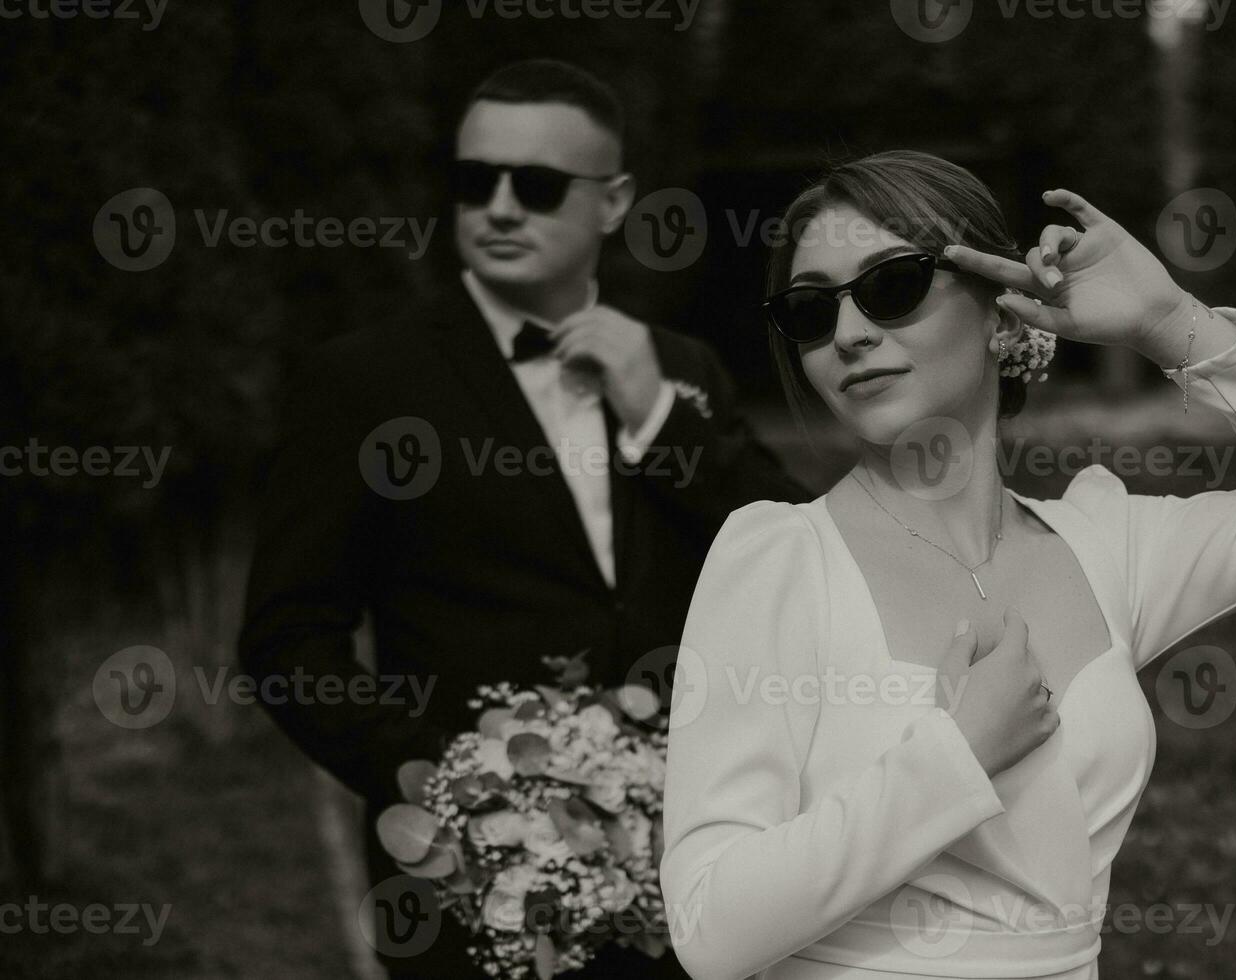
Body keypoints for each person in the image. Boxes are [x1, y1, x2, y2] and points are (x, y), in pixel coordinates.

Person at [659, 150, 1236, 980]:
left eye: (892, 285)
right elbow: (711, 929)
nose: (850, 334)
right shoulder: (777, 561)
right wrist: (955, 759)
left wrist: (1168, 321)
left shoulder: (1110, 548)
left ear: (1005, 315)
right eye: (811, 310)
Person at [238, 59, 810, 980]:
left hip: (698, 883)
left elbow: (794, 561)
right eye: (475, 181)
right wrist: (438, 776)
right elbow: (287, 635)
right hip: (470, 895)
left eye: (537, 186)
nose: (499, 207)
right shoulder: (362, 383)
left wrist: (657, 416)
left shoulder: (684, 366)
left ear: (614, 200)